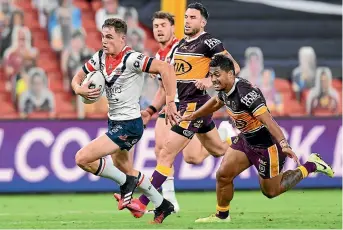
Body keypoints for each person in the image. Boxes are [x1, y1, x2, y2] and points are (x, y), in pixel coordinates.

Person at [116, 3, 240, 222]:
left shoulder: (209, 42)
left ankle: (143, 203)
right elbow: (169, 83)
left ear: (202, 22)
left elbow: (234, 68)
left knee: (166, 153)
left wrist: (209, 79)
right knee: (218, 150)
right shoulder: (181, 45)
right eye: (186, 17)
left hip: (194, 107)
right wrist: (152, 110)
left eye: (193, 17)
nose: (188, 20)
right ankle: (232, 139)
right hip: (186, 106)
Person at [181, 54, 334, 223]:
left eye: (217, 74)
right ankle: (222, 216)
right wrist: (193, 115)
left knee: (271, 192)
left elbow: (268, 120)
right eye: (211, 75)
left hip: (267, 145)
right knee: (223, 175)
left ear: (230, 74)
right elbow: (217, 102)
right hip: (246, 140)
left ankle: (312, 165)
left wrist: (283, 144)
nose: (213, 79)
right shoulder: (224, 89)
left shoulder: (246, 94)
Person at [71, 18, 179, 224]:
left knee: (82, 158)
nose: (104, 41)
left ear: (122, 38)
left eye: (109, 37)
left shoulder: (132, 59)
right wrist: (79, 89)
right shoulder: (100, 58)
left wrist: (171, 102)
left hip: (129, 125)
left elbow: (166, 69)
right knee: (126, 168)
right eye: (103, 36)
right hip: (114, 122)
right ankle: (163, 204)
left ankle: (125, 183)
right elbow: (76, 79)